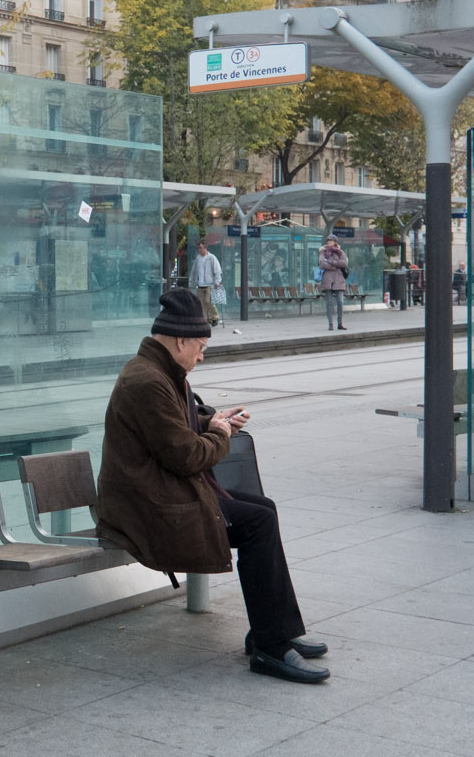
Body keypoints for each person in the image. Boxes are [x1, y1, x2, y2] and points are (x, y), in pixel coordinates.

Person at [95, 289, 328, 683]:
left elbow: (172, 427)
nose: (201, 355)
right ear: (180, 340)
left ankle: (273, 631)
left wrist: (213, 421)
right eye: (200, 346)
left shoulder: (159, 372)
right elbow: (185, 455)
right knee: (258, 522)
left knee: (263, 509)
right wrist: (219, 435)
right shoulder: (148, 381)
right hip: (148, 509)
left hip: (160, 494)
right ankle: (270, 647)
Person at [317, 236, 349, 330]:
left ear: (335, 242)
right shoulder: (323, 252)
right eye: (328, 240)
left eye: (331, 240)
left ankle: (340, 323)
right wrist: (335, 266)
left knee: (340, 301)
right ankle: (330, 324)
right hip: (327, 280)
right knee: (329, 303)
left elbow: (344, 263)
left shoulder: (340, 252)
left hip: (339, 280)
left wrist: (331, 262)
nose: (329, 242)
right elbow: (322, 263)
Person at [190, 242, 222, 327]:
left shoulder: (211, 258)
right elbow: (193, 272)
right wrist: (191, 283)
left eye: (201, 248)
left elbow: (217, 270)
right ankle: (205, 319)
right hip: (200, 284)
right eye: (198, 248)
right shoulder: (198, 259)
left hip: (209, 284)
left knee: (209, 301)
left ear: (205, 248)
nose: (199, 250)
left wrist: (217, 281)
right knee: (201, 303)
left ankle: (214, 317)